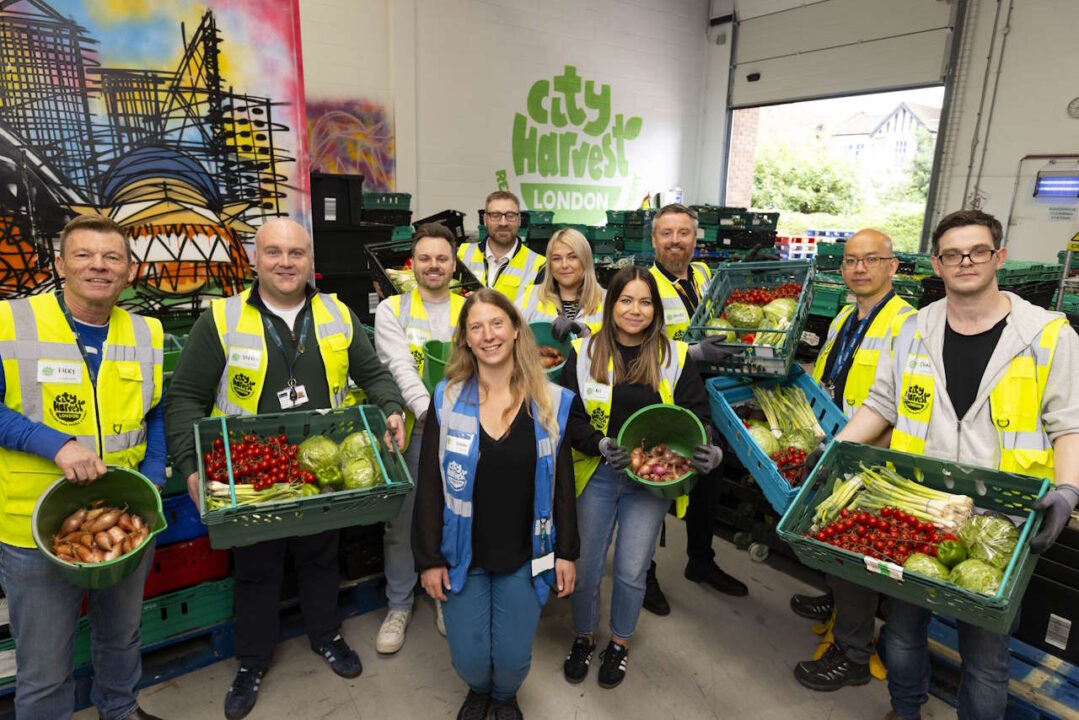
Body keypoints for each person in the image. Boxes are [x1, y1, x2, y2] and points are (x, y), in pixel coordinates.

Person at [823, 210, 1079, 720]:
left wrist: (1069, 490)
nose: (965, 261)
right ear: (936, 265)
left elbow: (1069, 424)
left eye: (977, 251)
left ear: (998, 257)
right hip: (921, 509)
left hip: (1000, 524)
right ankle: (905, 710)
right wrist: (833, 451)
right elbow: (880, 406)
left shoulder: (1048, 335)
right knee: (901, 634)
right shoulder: (914, 330)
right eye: (952, 254)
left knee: (985, 656)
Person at [163, 218, 407, 720]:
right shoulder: (223, 319)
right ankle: (252, 662)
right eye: (274, 252)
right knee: (256, 570)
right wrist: (189, 465)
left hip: (321, 470)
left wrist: (392, 406)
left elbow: (374, 374)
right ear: (256, 260)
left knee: (322, 557)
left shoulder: (335, 313)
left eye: (296, 253)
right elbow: (184, 397)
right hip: (254, 471)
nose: (286, 262)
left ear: (309, 261)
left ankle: (327, 635)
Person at [0, 215, 165, 720]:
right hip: (34, 532)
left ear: (129, 271)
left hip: (124, 522)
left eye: (112, 257)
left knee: (121, 638)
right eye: (84, 255)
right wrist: (54, 444)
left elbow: (155, 409)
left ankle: (120, 710)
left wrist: (154, 473)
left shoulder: (146, 331)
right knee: (45, 667)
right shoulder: (10, 322)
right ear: (60, 264)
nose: (99, 266)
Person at [412, 288, 577, 720]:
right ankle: (478, 690)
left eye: (497, 323)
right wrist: (429, 559)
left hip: (526, 553)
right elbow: (429, 483)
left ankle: (504, 696)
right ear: (465, 340)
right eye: (476, 327)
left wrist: (567, 553)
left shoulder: (549, 401)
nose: (488, 335)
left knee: (512, 657)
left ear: (517, 329)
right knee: (468, 657)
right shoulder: (447, 398)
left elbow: (562, 484)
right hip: (462, 553)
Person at [558, 267, 723, 689]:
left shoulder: (674, 357)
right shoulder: (584, 351)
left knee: (632, 569)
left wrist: (710, 448)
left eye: (645, 302)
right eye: (626, 300)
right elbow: (569, 418)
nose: (635, 310)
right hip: (598, 472)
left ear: (656, 310)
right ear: (611, 305)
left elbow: (698, 418)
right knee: (588, 566)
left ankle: (619, 642)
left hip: (652, 479)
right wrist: (597, 443)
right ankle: (583, 636)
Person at [788, 229, 915, 692]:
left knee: (856, 551)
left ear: (893, 266)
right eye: (851, 260)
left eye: (871, 259)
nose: (859, 268)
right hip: (834, 447)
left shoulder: (908, 324)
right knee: (830, 536)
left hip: (871, 459)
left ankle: (854, 653)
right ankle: (837, 600)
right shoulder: (844, 317)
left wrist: (856, 450)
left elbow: (899, 403)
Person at [644, 203, 746, 615]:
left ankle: (700, 561)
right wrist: (692, 352)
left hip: (709, 396)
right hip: (664, 399)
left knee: (709, 477)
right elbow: (637, 343)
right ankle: (643, 573)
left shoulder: (705, 276)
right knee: (656, 484)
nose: (675, 241)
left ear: (695, 237)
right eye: (666, 233)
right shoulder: (644, 284)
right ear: (654, 240)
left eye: (682, 233)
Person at [372, 223, 464, 651]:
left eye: (441, 258)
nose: (433, 266)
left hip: (464, 431)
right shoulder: (392, 310)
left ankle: (443, 594)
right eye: (424, 258)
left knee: (454, 515)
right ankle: (398, 604)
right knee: (402, 521)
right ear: (413, 262)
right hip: (413, 431)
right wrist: (432, 414)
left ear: (453, 262)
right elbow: (398, 367)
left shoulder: (472, 309)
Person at [457, 191, 546, 303]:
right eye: (495, 215)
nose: (503, 223)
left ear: (519, 220)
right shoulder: (462, 254)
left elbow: (536, 316)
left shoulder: (539, 266)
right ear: (485, 219)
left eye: (510, 216)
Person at [518, 227, 604, 340]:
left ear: (585, 260)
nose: (564, 265)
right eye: (556, 259)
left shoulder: (607, 301)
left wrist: (583, 332)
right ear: (550, 264)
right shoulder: (530, 297)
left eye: (572, 257)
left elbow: (617, 348)